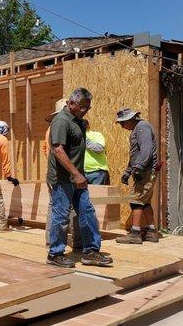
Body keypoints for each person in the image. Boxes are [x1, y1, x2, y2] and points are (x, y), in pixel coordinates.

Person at [46, 87, 113, 268]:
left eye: (88, 107)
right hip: (63, 179)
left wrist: (79, 175)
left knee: (87, 211)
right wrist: (75, 173)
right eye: (82, 107)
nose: (85, 110)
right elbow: (58, 150)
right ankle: (55, 254)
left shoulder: (78, 122)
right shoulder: (61, 121)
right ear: (71, 103)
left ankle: (90, 251)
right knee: (61, 216)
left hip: (78, 179)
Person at [114, 108, 160, 244]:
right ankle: (151, 232)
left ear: (130, 119)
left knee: (136, 201)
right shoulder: (137, 129)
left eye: (123, 123)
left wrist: (139, 168)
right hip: (144, 170)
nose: (122, 126)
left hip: (145, 170)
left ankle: (135, 233)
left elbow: (146, 150)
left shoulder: (142, 127)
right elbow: (135, 154)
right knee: (145, 202)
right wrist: (128, 172)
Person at [43, 98, 81, 249]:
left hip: (55, 173)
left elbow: (46, 151)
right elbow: (58, 151)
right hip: (62, 175)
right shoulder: (60, 127)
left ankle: (50, 241)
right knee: (67, 208)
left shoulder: (51, 128)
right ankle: (72, 243)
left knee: (54, 206)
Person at [84, 120, 110, 185]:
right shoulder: (74, 136)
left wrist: (84, 138)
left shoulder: (96, 135)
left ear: (88, 126)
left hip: (97, 172)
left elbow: (99, 148)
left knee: (96, 194)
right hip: (80, 173)